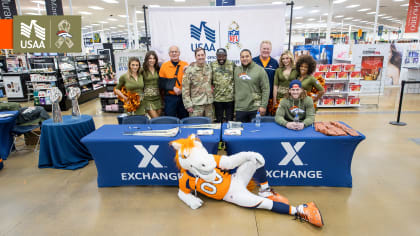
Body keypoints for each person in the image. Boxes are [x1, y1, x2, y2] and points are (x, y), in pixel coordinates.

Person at [234, 49, 269, 123]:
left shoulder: (260, 70)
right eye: (242, 57)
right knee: (241, 132)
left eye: (247, 56)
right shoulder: (236, 70)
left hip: (255, 108)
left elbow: (266, 89)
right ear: (240, 58)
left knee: (255, 132)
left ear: (251, 57)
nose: (245, 58)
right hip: (240, 108)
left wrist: (263, 106)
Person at [182, 48, 213, 119]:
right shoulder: (189, 70)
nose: (201, 57)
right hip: (196, 105)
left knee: (210, 126)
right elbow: (185, 89)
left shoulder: (209, 68)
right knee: (196, 126)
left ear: (205, 55)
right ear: (195, 57)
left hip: (208, 104)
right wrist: (188, 105)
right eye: (198, 55)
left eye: (202, 55)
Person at [159, 46, 189, 119]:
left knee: (184, 119)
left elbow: (190, 81)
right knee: (170, 120)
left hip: (183, 97)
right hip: (170, 98)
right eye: (172, 52)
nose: (174, 53)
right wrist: (172, 88)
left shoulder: (185, 65)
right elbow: (161, 82)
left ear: (179, 53)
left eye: (176, 52)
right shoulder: (164, 66)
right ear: (169, 54)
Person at [253, 40, 279, 115]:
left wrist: (274, 99)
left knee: (268, 120)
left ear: (270, 50)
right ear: (260, 49)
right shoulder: (253, 61)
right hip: (256, 98)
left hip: (270, 98)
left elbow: (276, 81)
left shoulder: (274, 63)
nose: (266, 51)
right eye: (264, 48)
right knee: (256, 120)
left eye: (268, 49)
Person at [211, 48, 235, 122]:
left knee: (229, 121)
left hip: (230, 98)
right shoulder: (212, 65)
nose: (221, 58)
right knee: (219, 121)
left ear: (226, 56)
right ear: (216, 56)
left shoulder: (232, 64)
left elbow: (239, 73)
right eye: (219, 56)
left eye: (223, 56)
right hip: (217, 98)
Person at [141, 51, 161, 118]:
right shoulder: (142, 70)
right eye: (150, 58)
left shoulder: (158, 69)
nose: (152, 60)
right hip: (148, 99)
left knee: (157, 120)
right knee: (156, 119)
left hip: (158, 98)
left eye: (153, 58)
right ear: (147, 59)